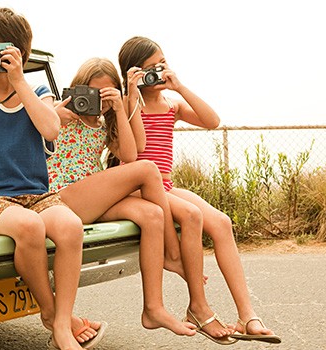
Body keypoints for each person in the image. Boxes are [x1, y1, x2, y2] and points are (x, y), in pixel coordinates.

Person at [0, 8, 106, 350]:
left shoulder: (36, 91)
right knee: (29, 227)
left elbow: (51, 127)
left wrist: (20, 79)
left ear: (19, 51)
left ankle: (62, 318)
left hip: (35, 195)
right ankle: (55, 317)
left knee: (70, 226)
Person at [118, 36, 281, 344]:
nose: (158, 73)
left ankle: (247, 315)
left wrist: (179, 86)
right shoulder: (130, 104)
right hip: (141, 188)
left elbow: (212, 121)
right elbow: (132, 151)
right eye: (149, 69)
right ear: (134, 71)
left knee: (221, 222)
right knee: (191, 214)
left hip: (166, 183)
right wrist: (131, 93)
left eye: (161, 65)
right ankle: (198, 306)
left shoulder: (171, 105)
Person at [47, 57, 222, 339]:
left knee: (151, 215)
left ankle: (153, 308)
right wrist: (56, 112)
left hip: (93, 195)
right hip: (64, 197)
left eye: (106, 94)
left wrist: (119, 106)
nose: (98, 101)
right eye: (93, 93)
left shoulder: (104, 122)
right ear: (78, 89)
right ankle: (173, 253)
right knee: (148, 169)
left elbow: (129, 155)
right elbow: (41, 127)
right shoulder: (63, 111)